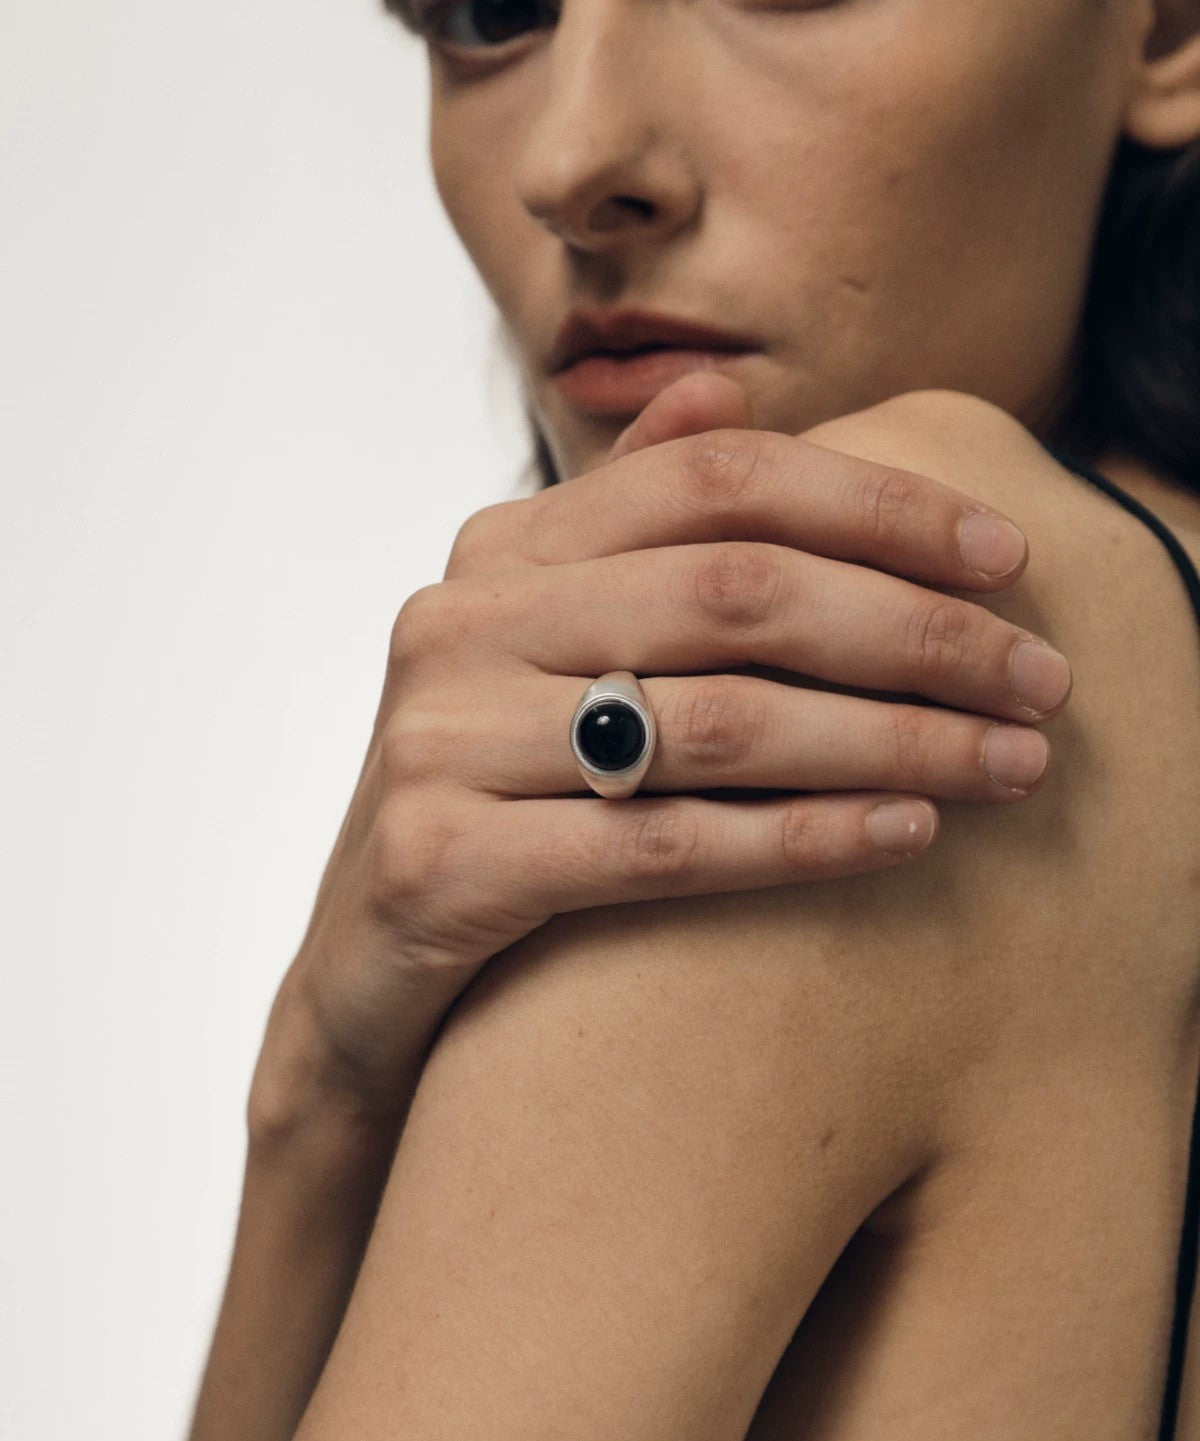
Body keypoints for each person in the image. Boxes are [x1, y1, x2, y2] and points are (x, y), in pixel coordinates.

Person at [186, 2, 1200, 1438]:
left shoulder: (796, 717)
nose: (573, 154)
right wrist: (314, 1096)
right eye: (489, 13)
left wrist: (311, 1123)